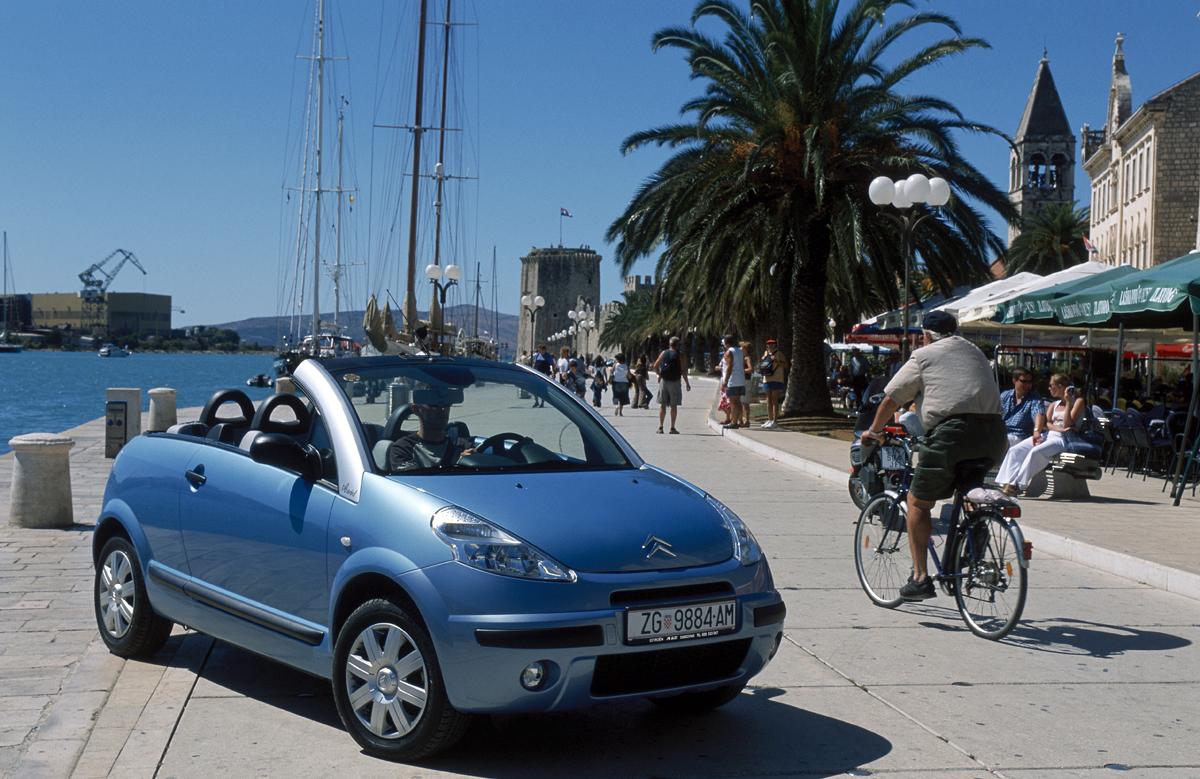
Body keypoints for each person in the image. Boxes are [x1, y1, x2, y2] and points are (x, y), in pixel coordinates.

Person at [861, 311, 1007, 602]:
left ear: (926, 336)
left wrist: (873, 431)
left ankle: (919, 578)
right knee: (969, 488)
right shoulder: (975, 351)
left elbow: (892, 398)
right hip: (993, 435)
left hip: (952, 435)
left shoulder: (924, 355)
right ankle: (975, 534)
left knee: (918, 502)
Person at [996, 374, 1086, 496]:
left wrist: (1069, 403)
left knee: (1035, 452)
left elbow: (1067, 424)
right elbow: (1046, 424)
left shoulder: (1078, 402)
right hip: (1050, 435)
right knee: (1015, 450)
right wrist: (1056, 428)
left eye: (1051, 386)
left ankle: (1017, 484)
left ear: (1060, 387)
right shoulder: (1054, 404)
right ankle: (1006, 482)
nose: (1049, 388)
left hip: (1064, 439)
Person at [387, 387, 475, 471]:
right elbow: (415, 482)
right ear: (416, 409)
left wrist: (473, 459)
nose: (442, 409)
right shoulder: (403, 449)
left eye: (446, 404)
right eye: (434, 405)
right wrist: (457, 464)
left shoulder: (462, 446)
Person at [652, 335, 691, 434]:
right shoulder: (681, 355)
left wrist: (659, 375)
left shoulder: (664, 353)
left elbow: (655, 365)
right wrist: (687, 383)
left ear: (669, 344)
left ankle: (660, 427)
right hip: (675, 382)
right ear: (678, 345)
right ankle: (672, 427)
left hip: (664, 381)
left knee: (662, 405)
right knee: (674, 406)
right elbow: (683, 371)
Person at [999, 368, 1045, 447]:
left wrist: (1037, 431)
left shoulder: (1034, 398)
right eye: (1024, 381)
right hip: (1003, 433)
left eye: (1030, 382)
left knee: (1001, 442)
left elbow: (1038, 413)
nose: (1028, 385)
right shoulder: (1004, 395)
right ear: (1014, 381)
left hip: (1020, 436)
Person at [760, 338, 788, 428]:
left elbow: (786, 366)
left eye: (772, 345)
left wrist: (777, 361)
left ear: (775, 345)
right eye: (768, 345)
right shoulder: (766, 353)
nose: (769, 346)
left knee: (774, 400)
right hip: (766, 379)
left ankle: (775, 421)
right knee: (768, 400)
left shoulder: (779, 353)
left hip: (777, 379)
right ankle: (770, 419)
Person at [720, 335, 747, 430]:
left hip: (733, 380)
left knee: (733, 402)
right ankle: (740, 420)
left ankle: (734, 422)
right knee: (738, 401)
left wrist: (726, 380)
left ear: (726, 343)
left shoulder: (729, 352)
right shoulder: (740, 351)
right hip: (741, 380)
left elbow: (729, 367)